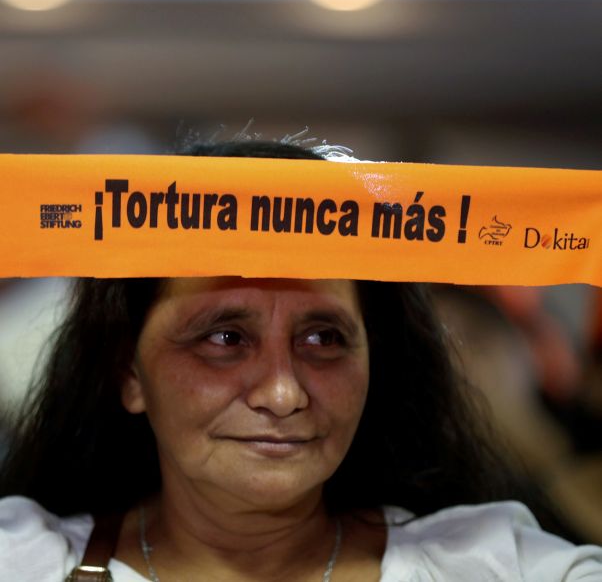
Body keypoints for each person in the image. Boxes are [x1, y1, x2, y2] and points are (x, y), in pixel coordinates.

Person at [0, 140, 601, 581]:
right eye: (226, 338)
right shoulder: (24, 561)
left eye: (323, 340)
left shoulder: (498, 566)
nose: (283, 394)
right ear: (128, 372)